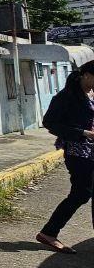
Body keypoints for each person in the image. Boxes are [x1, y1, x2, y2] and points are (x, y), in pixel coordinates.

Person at [38, 60, 94, 253]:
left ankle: (49, 232)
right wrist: (83, 133)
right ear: (86, 75)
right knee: (81, 193)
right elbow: (49, 122)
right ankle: (49, 232)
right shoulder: (67, 96)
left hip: (91, 151)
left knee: (85, 193)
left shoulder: (90, 93)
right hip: (77, 152)